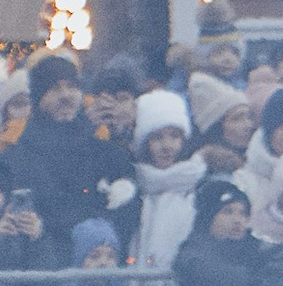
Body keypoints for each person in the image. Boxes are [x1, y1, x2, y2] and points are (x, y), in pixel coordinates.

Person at [12, 54, 116, 247]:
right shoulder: (22, 153)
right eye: (55, 88)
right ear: (38, 97)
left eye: (72, 87)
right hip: (46, 257)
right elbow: (56, 201)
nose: (66, 96)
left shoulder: (98, 145)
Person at [132, 91, 212, 274]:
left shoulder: (201, 185)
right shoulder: (135, 186)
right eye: (157, 137)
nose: (167, 146)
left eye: (174, 136)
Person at [176, 181, 277, 286]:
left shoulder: (254, 248)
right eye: (228, 212)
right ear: (208, 218)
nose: (238, 220)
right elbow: (235, 280)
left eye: (243, 213)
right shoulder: (193, 257)